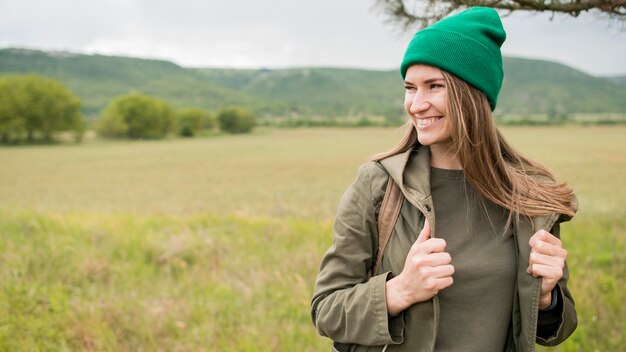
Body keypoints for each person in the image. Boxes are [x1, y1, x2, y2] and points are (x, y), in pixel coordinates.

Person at [311, 7, 577, 352]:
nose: (417, 104)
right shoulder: (378, 184)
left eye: (433, 86)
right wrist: (400, 289)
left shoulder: (529, 195)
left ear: (473, 94)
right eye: (410, 88)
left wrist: (547, 299)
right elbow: (326, 310)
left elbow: (560, 325)